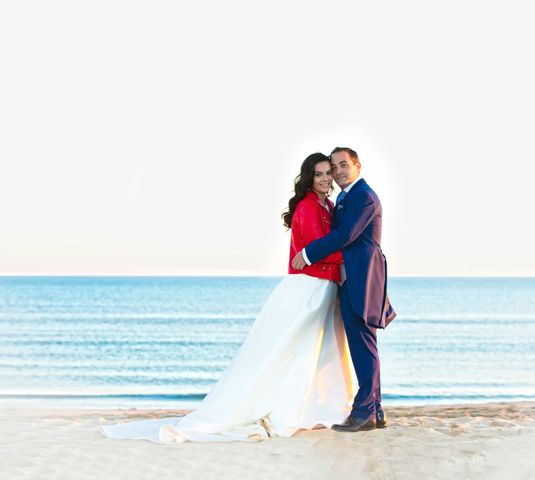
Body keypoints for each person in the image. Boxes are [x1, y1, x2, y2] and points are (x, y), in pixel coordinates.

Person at [99, 152, 356, 443]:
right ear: (308, 178)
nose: (324, 179)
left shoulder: (329, 206)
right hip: (308, 288)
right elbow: (316, 250)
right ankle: (285, 411)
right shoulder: (308, 207)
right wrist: (356, 255)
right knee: (288, 352)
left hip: (324, 288)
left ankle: (309, 408)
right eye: (318, 174)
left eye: (327, 173)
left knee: (311, 353)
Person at [292, 146, 396, 433]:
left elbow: (346, 235)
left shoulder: (364, 196)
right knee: (363, 345)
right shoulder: (344, 198)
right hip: (351, 279)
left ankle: (363, 413)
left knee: (363, 346)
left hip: (362, 278)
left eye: (342, 165)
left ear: (357, 166)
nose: (337, 172)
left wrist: (309, 253)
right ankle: (375, 410)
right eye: (333, 167)